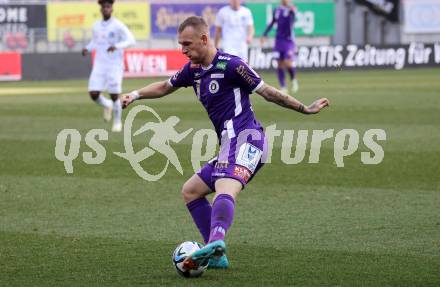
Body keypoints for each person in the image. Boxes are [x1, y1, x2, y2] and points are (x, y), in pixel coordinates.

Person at [121, 16, 329, 271]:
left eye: (187, 44)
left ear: (204, 39)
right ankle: (216, 254)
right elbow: (165, 86)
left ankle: (217, 242)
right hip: (229, 145)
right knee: (191, 191)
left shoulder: (232, 66)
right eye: (180, 44)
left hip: (249, 139)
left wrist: (304, 108)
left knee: (224, 187)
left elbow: (268, 92)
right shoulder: (193, 71)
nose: (182, 50)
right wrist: (135, 95)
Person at [82, 0, 135, 132]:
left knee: (114, 94)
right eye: (104, 7)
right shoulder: (96, 26)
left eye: (108, 6)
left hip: (114, 65)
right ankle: (108, 105)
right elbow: (95, 41)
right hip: (99, 64)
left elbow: (131, 40)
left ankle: (117, 122)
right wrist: (87, 49)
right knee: (93, 94)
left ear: (112, 9)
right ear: (100, 9)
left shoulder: (118, 26)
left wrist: (116, 46)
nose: (106, 9)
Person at [261, 0, 299, 93]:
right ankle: (283, 86)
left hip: (288, 40)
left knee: (288, 62)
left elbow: (294, 20)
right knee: (279, 64)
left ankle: (293, 80)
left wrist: (292, 11)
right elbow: (272, 22)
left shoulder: (291, 9)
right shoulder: (277, 10)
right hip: (278, 41)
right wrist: (265, 34)